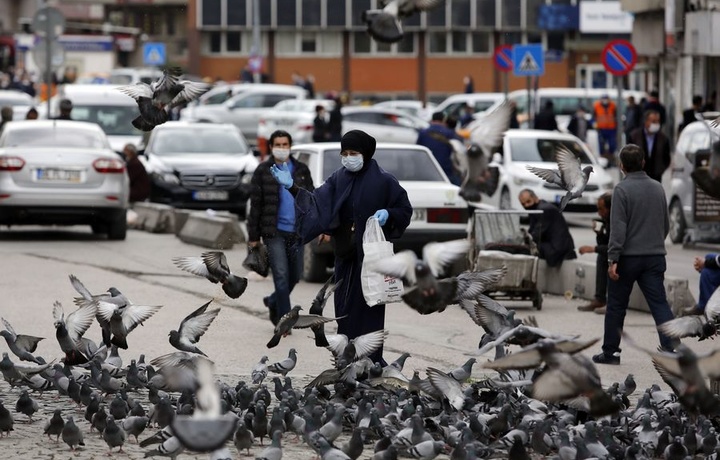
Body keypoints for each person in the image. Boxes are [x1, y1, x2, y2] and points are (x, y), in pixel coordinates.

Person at [269, 130, 412, 365]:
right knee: (344, 313)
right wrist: (292, 187)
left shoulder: (385, 181)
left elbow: (405, 209)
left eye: (353, 153)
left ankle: (371, 364)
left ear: (365, 153)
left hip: (371, 261)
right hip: (345, 258)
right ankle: (346, 364)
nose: (348, 158)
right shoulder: (339, 178)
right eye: (344, 153)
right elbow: (317, 202)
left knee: (369, 312)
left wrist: (390, 213)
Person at [593, 144, 679, 365]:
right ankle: (670, 349)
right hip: (654, 257)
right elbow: (666, 225)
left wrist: (613, 258)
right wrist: (654, 244)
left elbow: (618, 228)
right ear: (643, 163)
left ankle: (611, 353)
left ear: (621, 166)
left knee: (616, 305)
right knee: (659, 304)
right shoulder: (658, 187)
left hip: (627, 259)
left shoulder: (622, 190)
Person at [248, 130, 314, 326]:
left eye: (285, 145)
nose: (282, 148)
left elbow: (311, 199)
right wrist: (253, 237)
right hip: (273, 232)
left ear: (290, 147)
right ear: (271, 147)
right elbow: (256, 204)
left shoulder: (301, 170)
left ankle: (273, 300)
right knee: (282, 276)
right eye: (278, 144)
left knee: (295, 276)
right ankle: (285, 322)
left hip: (297, 233)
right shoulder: (262, 170)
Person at [518, 189, 577, 267]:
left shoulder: (544, 210)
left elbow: (536, 234)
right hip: (552, 245)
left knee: (522, 251)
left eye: (528, 202)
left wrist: (523, 240)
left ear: (535, 198)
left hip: (557, 249)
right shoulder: (537, 209)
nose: (526, 205)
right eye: (523, 204)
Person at [577, 193, 612, 313]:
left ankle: (612, 302)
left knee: (607, 257)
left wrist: (593, 248)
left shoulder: (617, 220)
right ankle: (600, 298)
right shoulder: (606, 220)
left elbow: (616, 247)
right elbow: (605, 243)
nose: (599, 213)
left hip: (625, 255)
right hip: (613, 253)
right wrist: (600, 233)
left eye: (601, 209)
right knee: (602, 257)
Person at [417, 112, 464, 185]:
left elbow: (418, 151)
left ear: (432, 119)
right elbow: (459, 149)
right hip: (446, 172)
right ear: (443, 120)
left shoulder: (422, 133)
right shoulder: (450, 133)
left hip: (426, 171)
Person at [628, 110, 671, 183]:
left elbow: (667, 158)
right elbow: (628, 155)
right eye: (653, 121)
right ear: (646, 122)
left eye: (658, 121)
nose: (656, 124)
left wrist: (660, 170)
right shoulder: (634, 136)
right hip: (637, 177)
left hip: (656, 177)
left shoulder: (663, 139)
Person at [593, 94, 617, 160]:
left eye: (606, 99)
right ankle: (603, 158)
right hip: (601, 129)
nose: (605, 101)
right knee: (601, 145)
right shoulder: (596, 106)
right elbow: (594, 117)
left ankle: (610, 157)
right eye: (603, 99)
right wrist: (594, 124)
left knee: (612, 145)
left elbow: (616, 116)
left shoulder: (613, 106)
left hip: (611, 129)